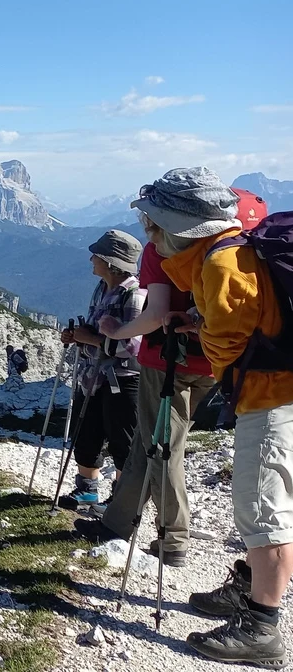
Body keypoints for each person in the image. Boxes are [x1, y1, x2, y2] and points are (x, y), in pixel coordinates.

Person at [128, 167, 292, 666]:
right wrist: (196, 319)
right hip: (275, 391)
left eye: (154, 224)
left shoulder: (219, 267)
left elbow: (229, 345)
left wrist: (196, 330)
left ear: (180, 226)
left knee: (263, 511)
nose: (149, 234)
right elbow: (247, 320)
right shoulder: (230, 253)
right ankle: (248, 587)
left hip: (271, 398)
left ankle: (261, 628)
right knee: (271, 502)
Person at [74, 191, 267, 566]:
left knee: (163, 446)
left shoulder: (162, 250)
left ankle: (173, 538)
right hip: (214, 363)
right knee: (147, 442)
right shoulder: (238, 248)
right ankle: (116, 523)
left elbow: (155, 313)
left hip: (166, 362)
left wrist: (116, 332)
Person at [56, 230, 146, 510]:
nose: (92, 259)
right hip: (93, 375)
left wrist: (91, 339)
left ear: (111, 262)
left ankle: (120, 502)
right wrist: (77, 336)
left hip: (124, 379)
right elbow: (95, 328)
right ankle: (87, 492)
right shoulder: (102, 288)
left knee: (122, 438)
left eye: (97, 255)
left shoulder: (135, 295)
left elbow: (133, 346)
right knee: (88, 432)